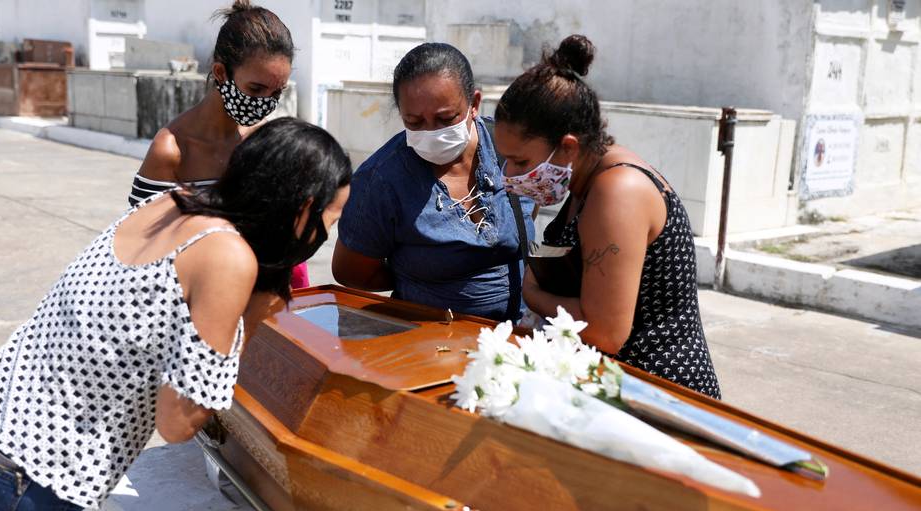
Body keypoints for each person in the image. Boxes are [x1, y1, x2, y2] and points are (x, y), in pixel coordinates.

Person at [0, 117, 352, 511]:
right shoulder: (228, 257)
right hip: (24, 480)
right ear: (302, 208)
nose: (323, 237)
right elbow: (177, 422)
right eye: (328, 221)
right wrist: (254, 320)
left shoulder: (179, 201)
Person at [493, 35, 720, 398]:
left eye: (521, 161)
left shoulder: (618, 192)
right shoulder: (585, 180)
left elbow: (604, 332)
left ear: (568, 147)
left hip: (657, 396)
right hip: (615, 388)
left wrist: (531, 292)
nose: (511, 172)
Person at [331, 43, 536, 321]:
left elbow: (527, 214)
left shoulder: (512, 151)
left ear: (474, 104)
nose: (432, 133)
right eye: (414, 121)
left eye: (445, 118)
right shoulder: (381, 180)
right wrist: (420, 280)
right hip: (429, 344)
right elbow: (352, 270)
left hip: (517, 337)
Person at [130, 0, 311, 289]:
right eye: (255, 89)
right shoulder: (173, 151)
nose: (266, 101)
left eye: (277, 91)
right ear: (220, 73)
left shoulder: (263, 140)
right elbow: (139, 246)